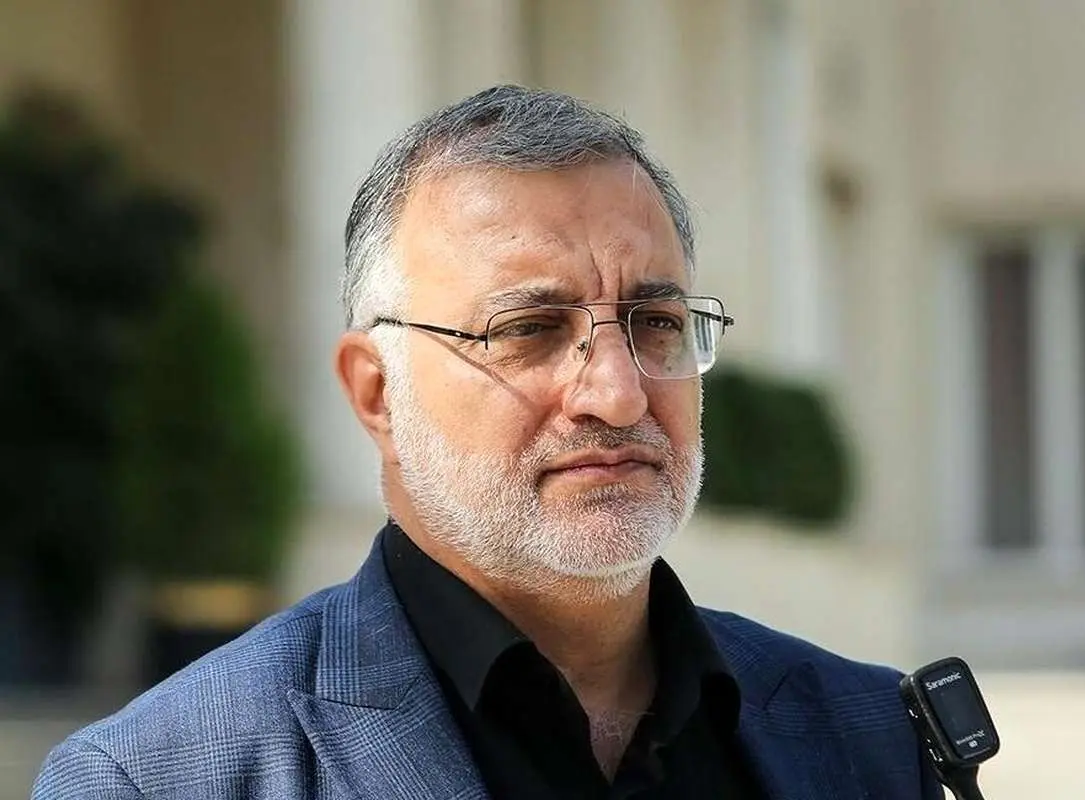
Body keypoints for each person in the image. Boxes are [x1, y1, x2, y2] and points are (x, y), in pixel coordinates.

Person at [33, 85, 941, 799]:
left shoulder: (865, 734)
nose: (617, 392)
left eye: (656, 322)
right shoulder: (166, 778)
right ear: (376, 392)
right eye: (529, 329)